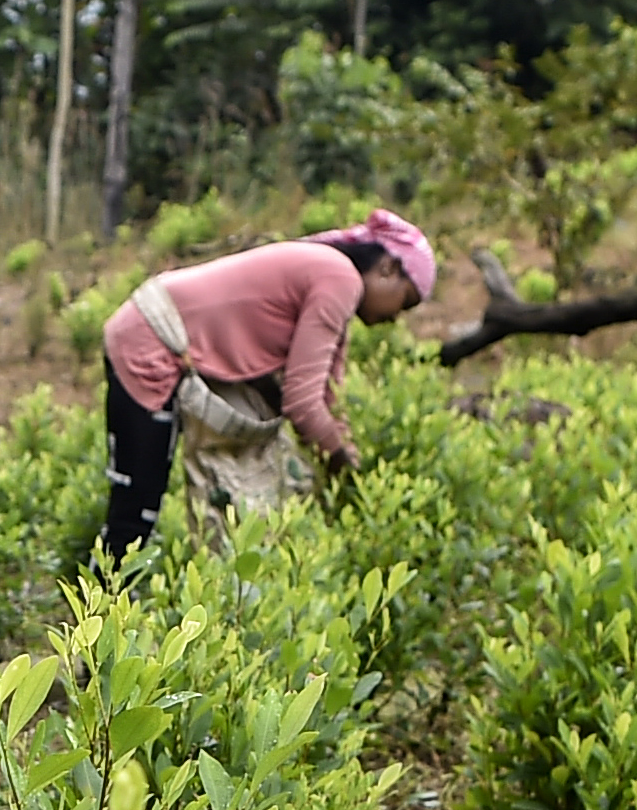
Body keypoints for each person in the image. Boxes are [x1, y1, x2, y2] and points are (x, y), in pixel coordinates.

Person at [97, 211, 433, 558]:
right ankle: (93, 604)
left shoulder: (334, 279)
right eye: (405, 301)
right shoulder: (339, 278)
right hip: (150, 339)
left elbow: (327, 395)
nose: (396, 318)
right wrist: (341, 466)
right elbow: (302, 403)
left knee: (139, 508)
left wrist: (348, 455)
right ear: (388, 269)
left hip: (159, 332)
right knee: (136, 512)